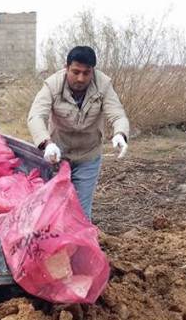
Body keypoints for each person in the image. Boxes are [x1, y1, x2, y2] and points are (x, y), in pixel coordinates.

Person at [27, 45, 130, 220]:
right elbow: (36, 116)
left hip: (88, 156)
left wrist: (120, 133)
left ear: (93, 71)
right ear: (66, 68)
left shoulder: (103, 84)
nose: (81, 78)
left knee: (81, 212)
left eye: (86, 73)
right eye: (75, 72)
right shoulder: (52, 85)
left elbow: (117, 114)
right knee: (53, 207)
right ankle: (55, 245)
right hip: (57, 155)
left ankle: (78, 246)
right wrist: (46, 143)